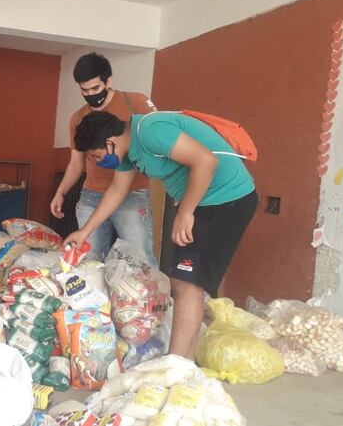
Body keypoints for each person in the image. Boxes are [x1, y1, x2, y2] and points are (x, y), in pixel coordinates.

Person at [65, 111, 257, 359]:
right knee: (185, 282)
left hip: (224, 200)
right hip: (205, 203)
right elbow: (117, 190)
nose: (99, 163)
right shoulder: (128, 152)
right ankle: (182, 361)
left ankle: (175, 362)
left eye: (97, 156)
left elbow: (205, 161)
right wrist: (84, 231)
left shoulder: (150, 130)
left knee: (187, 284)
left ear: (110, 142)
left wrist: (185, 212)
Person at [50, 52, 158, 263]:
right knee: (89, 260)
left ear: (108, 81)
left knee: (139, 260)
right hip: (92, 194)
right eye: (84, 90)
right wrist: (61, 192)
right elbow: (76, 163)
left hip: (132, 193)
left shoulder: (135, 102)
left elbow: (156, 141)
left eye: (95, 88)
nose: (90, 95)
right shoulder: (78, 118)